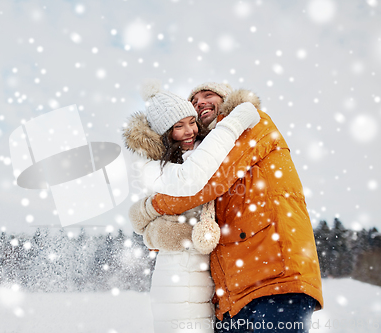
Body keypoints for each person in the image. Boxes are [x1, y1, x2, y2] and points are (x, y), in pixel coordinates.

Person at [130, 82, 324, 333]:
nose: (200, 102)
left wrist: (150, 209)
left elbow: (207, 183)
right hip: (233, 296)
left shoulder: (252, 123)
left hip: (276, 278)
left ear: (226, 97)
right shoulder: (205, 150)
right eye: (194, 101)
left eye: (207, 95)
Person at [124, 79, 260, 333]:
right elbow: (191, 180)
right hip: (176, 268)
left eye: (191, 122)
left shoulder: (198, 151)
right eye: (178, 126)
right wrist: (233, 124)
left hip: (207, 271)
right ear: (166, 134)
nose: (189, 131)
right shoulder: (151, 168)